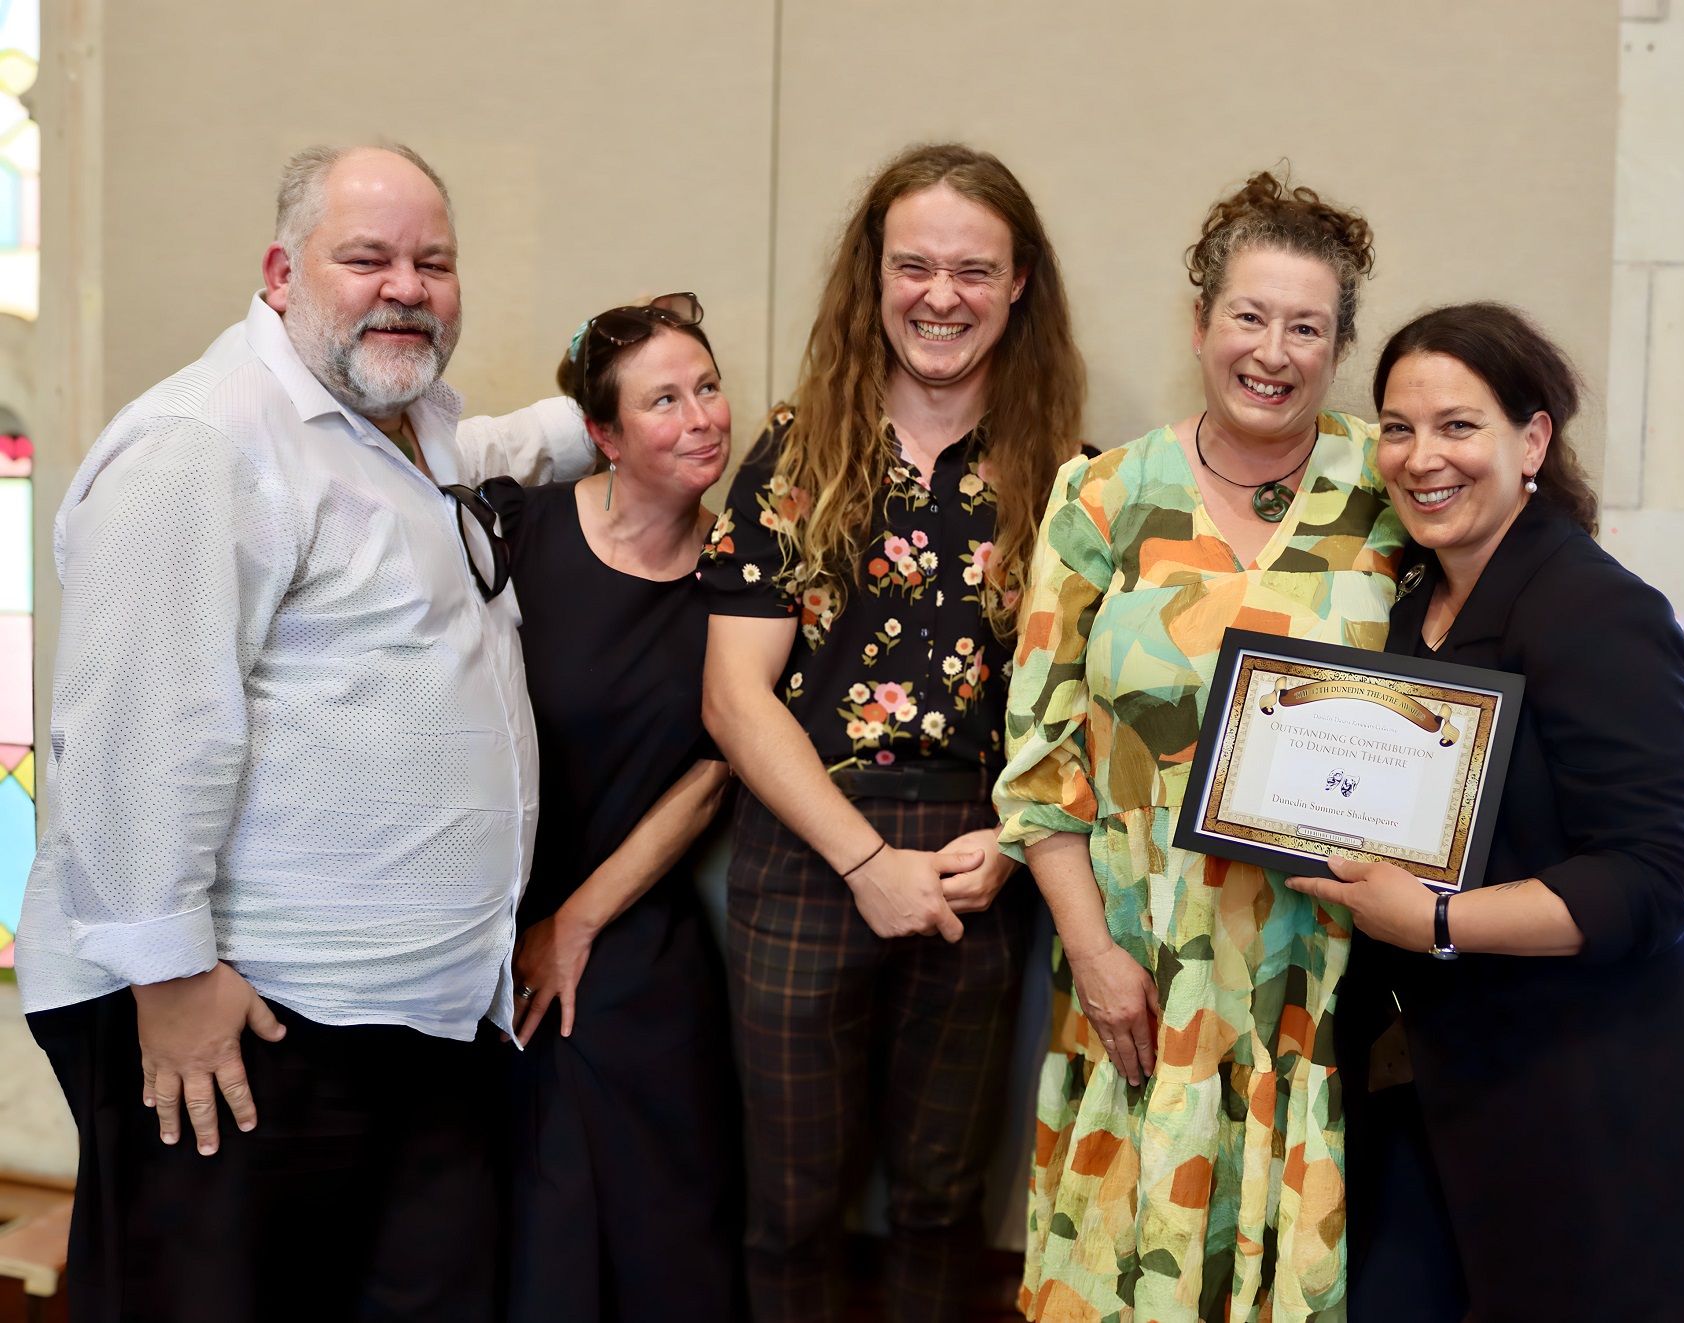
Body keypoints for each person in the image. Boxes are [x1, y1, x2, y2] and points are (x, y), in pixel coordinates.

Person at [17, 142, 591, 1323]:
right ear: (282, 272)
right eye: (367, 257)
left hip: (406, 1014)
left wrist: (622, 420)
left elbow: (494, 455)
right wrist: (173, 981)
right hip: (247, 1016)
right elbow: (134, 730)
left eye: (432, 262)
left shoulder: (407, 423)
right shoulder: (205, 444)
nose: (407, 286)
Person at [1289, 302, 1684, 1322]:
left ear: (1532, 439)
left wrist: (1433, 923)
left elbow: (1655, 878)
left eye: (1458, 425)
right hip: (1448, 1087)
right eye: (1397, 427)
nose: (1421, 456)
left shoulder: (1596, 608)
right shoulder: (1406, 611)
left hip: (1606, 1100)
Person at [995, 171, 1401, 1322]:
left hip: (1307, 990)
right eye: (1250, 316)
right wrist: (1096, 956)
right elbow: (1037, 766)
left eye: (1307, 326)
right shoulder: (1104, 496)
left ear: (1340, 347)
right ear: (1201, 327)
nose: (1273, 350)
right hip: (1136, 979)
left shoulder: (1385, 495)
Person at [699, 142, 1085, 1321]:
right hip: (807, 854)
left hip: (975, 857)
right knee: (795, 1207)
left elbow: (1072, 712)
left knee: (939, 1203)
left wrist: (1014, 846)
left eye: (974, 269)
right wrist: (864, 864)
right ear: (871, 277)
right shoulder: (794, 453)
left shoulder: (1065, 479)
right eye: (913, 265)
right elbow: (731, 697)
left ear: (1019, 285)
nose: (941, 296)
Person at [482, 294, 744, 1322]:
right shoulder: (513, 530)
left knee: (663, 1242)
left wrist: (579, 922)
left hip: (637, 931)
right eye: (665, 400)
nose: (703, 418)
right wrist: (530, 927)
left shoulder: (743, 577)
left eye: (710, 387)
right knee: (522, 1237)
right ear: (601, 433)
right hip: (485, 935)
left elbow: (719, 768)